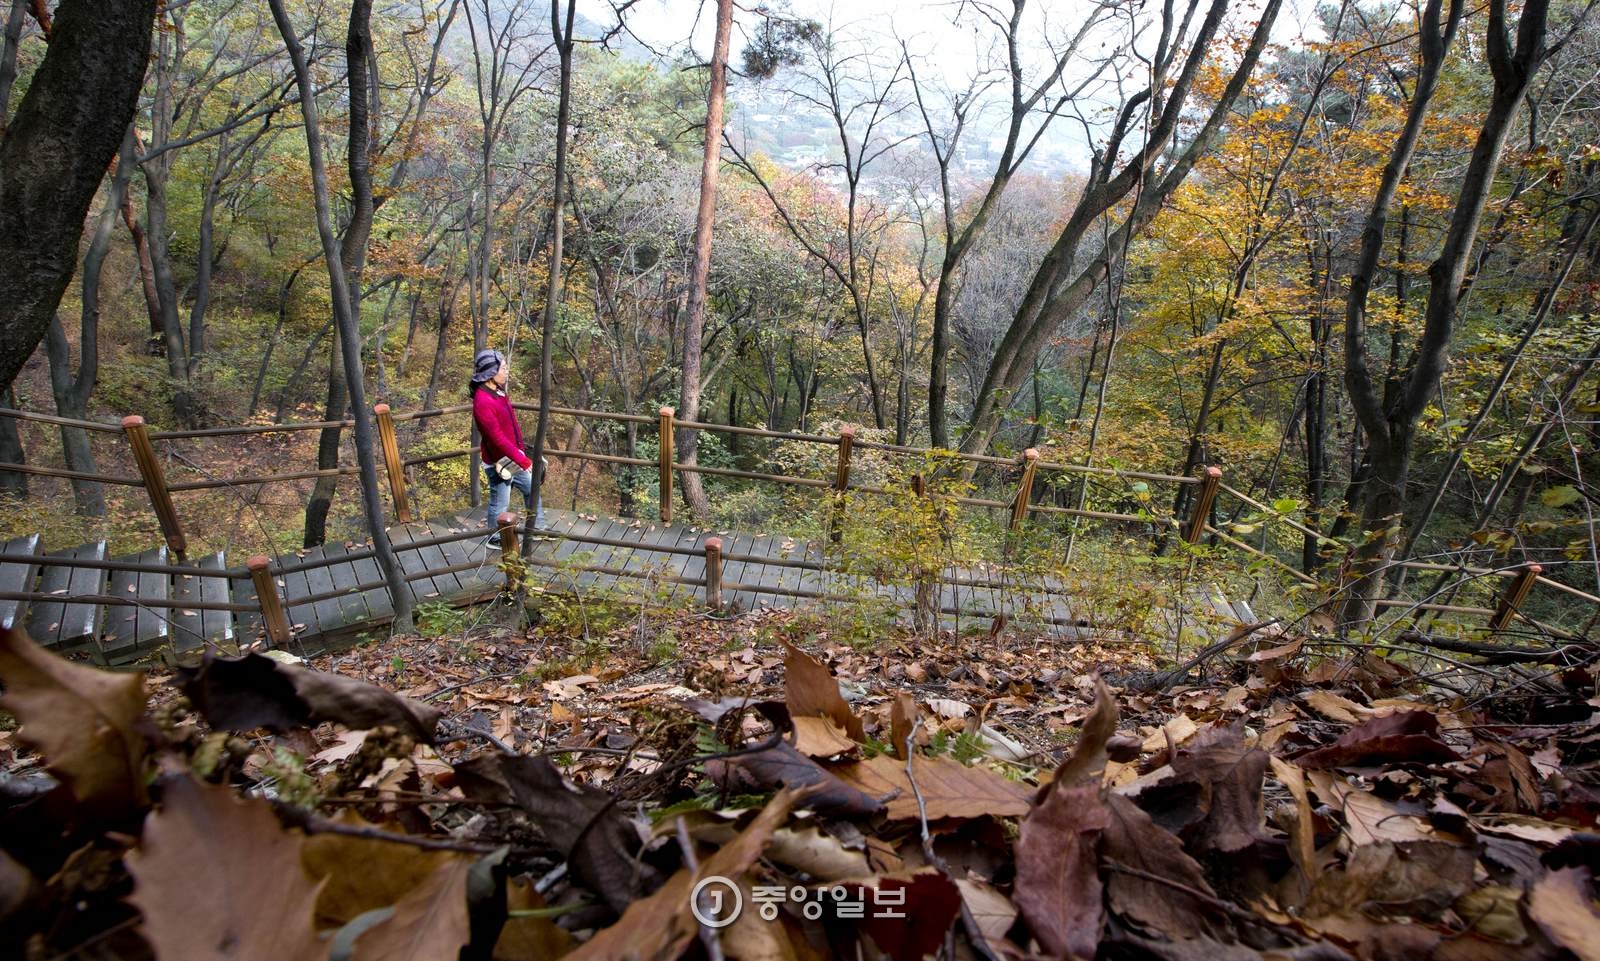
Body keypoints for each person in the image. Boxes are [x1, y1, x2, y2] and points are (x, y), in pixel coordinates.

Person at [469, 348, 545, 544]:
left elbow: (511, 424)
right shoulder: (482, 401)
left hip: (511, 456)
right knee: (500, 501)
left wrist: (520, 449)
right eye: (503, 367)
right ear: (490, 372)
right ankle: (495, 538)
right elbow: (497, 438)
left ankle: (536, 528)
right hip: (498, 461)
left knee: (531, 488)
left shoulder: (498, 392)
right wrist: (522, 459)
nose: (507, 370)